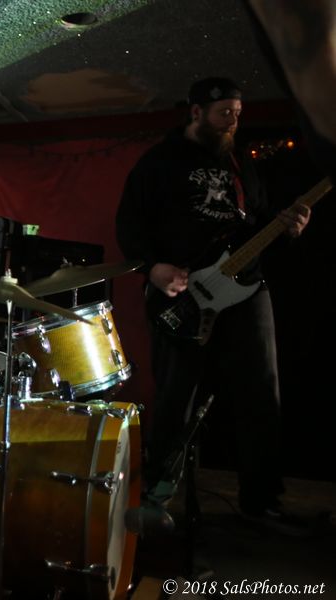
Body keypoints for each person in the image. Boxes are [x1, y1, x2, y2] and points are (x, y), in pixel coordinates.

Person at [115, 77, 311, 530]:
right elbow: (129, 224)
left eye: (238, 114)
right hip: (183, 292)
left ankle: (261, 501)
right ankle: (157, 496)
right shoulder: (159, 162)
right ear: (196, 112)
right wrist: (153, 268)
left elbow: (255, 226)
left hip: (246, 288)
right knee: (176, 396)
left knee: (261, 391)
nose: (233, 122)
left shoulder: (242, 163)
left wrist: (287, 230)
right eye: (224, 113)